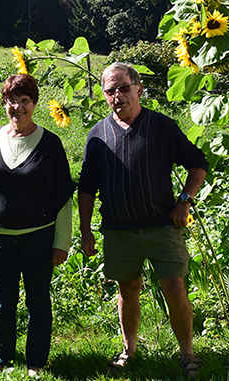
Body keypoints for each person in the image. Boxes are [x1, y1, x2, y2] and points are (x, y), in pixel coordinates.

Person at [78, 62, 208, 378]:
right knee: (128, 290)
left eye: (124, 87)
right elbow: (86, 188)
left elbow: (198, 164)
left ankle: (187, 354)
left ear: (138, 88)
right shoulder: (98, 135)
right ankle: (129, 350)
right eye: (111, 91)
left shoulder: (161, 127)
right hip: (119, 231)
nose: (118, 96)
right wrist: (85, 232)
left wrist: (185, 200)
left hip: (163, 226)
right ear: (104, 96)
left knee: (175, 288)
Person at [0, 74, 76, 377]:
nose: (18, 107)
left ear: (35, 103)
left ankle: (36, 363)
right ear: (5, 103)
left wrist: (61, 243)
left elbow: (63, 199)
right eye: (12, 100)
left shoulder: (51, 145)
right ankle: (2, 359)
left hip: (38, 238)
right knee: (2, 302)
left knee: (38, 300)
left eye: (24, 100)